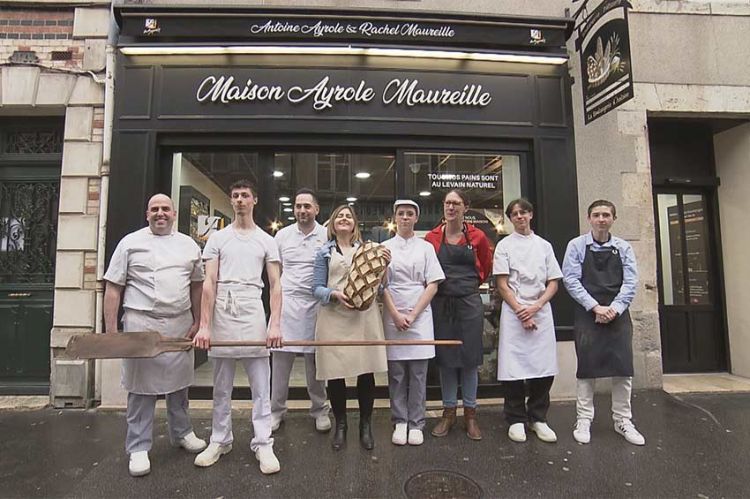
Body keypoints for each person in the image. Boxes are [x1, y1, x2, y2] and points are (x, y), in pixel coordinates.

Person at [103, 193, 207, 477]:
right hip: (141, 324)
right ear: (147, 214)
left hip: (179, 323)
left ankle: (182, 432)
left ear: (174, 214)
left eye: (165, 209)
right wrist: (112, 332)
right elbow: (113, 288)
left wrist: (199, 320)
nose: (160, 213)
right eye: (154, 209)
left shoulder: (188, 245)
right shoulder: (130, 243)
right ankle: (138, 446)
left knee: (179, 386)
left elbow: (197, 285)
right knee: (140, 390)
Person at [192, 179, 283, 474]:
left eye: (245, 195)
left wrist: (274, 324)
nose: (240, 200)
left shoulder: (267, 240)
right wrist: (204, 326)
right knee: (221, 388)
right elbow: (209, 283)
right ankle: (220, 439)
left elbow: (276, 286)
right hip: (223, 311)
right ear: (231, 201)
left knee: (260, 387)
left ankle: (263, 442)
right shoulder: (218, 239)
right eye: (235, 196)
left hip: (252, 309)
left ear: (254, 200)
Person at [562, 199, 645, 446]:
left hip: (618, 315)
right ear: (589, 218)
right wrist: (595, 307)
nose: (601, 219)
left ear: (613, 219)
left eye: (606, 215)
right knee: (587, 369)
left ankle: (623, 420)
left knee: (623, 369)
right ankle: (584, 419)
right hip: (588, 314)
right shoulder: (576, 246)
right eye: (597, 215)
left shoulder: (624, 248)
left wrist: (615, 309)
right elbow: (571, 280)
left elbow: (631, 282)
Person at [312, 204, 388, 451]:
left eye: (348, 216)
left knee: (366, 373)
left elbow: (382, 286)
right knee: (335, 374)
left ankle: (365, 426)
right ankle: (341, 425)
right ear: (333, 224)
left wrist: (384, 266)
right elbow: (316, 288)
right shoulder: (324, 252)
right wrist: (333, 294)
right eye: (339, 216)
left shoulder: (368, 250)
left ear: (355, 224)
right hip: (333, 317)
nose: (344, 219)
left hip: (363, 318)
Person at [425, 189, 493, 441]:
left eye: (456, 203)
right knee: (446, 360)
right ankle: (448, 412)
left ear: (466, 207)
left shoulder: (478, 237)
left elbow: (485, 268)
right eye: (447, 203)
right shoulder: (432, 238)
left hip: (469, 303)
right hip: (441, 304)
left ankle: (471, 415)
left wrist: (466, 288)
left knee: (469, 359)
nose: (451, 207)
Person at [493, 198, 562, 444]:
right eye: (514, 214)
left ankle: (538, 418)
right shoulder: (504, 246)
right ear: (510, 219)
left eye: (523, 213)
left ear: (531, 215)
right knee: (513, 369)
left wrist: (536, 306)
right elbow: (502, 283)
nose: (519, 217)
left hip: (540, 311)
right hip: (514, 312)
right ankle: (515, 419)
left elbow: (553, 281)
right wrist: (521, 310)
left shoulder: (544, 246)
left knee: (542, 367)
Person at [382, 200, 445, 446]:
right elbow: (380, 284)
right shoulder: (384, 247)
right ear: (395, 217)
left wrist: (414, 314)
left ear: (416, 218)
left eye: (410, 214)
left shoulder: (427, 247)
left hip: (420, 313)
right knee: (397, 373)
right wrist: (396, 314)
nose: (405, 218)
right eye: (401, 214)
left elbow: (433, 283)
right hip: (392, 310)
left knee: (418, 373)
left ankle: (417, 422)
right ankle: (399, 420)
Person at [271, 188, 330, 433]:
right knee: (280, 364)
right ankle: (275, 411)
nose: (302, 210)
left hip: (316, 305)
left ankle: (319, 410)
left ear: (316, 209)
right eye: (298, 206)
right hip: (287, 305)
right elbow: (276, 274)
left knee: (315, 364)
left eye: (307, 206)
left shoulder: (327, 234)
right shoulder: (282, 236)